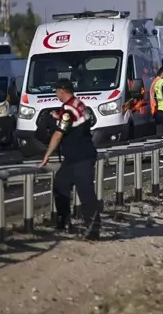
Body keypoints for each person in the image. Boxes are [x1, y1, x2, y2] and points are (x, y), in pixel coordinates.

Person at [38, 78, 101, 240]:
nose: (56, 95)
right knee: (61, 185)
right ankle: (64, 222)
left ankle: (92, 230)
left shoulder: (68, 110)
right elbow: (75, 120)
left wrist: (47, 155)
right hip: (75, 157)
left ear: (61, 91)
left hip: (80, 157)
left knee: (85, 192)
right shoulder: (79, 104)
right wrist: (56, 116)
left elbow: (59, 133)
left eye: (56, 92)